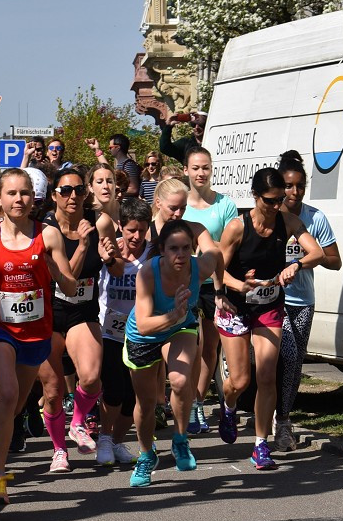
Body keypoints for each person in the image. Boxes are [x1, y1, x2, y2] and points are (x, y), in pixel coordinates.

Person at [0, 168, 78, 504]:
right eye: (11, 193)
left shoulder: (48, 236)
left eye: (24, 193)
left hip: (36, 333)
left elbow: (70, 284)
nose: (19, 200)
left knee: (12, 407)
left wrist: (59, 271)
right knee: (8, 392)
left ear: (33, 197)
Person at [216, 168, 324, 471]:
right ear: (255, 196)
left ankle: (260, 445)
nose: (277, 205)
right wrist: (238, 285)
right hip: (235, 306)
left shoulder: (288, 221)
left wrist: (297, 265)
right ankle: (229, 405)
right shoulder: (237, 228)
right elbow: (216, 270)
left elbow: (317, 252)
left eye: (281, 199)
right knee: (239, 380)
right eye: (270, 200)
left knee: (266, 375)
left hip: (269, 307)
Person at [126, 219, 222, 487]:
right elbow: (144, 325)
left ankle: (180, 439)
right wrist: (173, 314)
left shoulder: (198, 266)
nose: (180, 255)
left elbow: (216, 254)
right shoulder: (147, 273)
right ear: (162, 251)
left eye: (185, 248)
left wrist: (222, 290)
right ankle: (146, 455)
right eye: (173, 249)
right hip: (143, 334)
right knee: (146, 405)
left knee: (180, 381)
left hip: (180, 328)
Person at [39, 168, 118, 473]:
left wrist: (111, 258)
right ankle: (59, 451)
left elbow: (118, 268)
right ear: (54, 196)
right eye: (66, 190)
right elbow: (65, 279)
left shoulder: (101, 223)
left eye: (79, 190)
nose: (73, 196)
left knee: (91, 377)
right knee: (53, 391)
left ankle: (78, 423)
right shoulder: (45, 229)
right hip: (48, 313)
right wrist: (84, 246)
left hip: (82, 311)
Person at [275, 151, 341, 451]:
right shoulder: (271, 219)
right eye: (288, 186)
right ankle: (273, 416)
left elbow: (335, 260)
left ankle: (284, 420)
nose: (294, 192)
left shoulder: (316, 219)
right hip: (274, 300)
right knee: (283, 357)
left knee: (294, 363)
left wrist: (308, 258)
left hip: (303, 300)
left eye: (300, 186)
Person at [181, 146, 238, 435]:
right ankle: (189, 402)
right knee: (195, 345)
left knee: (210, 347)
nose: (201, 173)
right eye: (196, 168)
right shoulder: (182, 205)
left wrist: (221, 281)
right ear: (186, 171)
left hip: (216, 283)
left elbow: (228, 247)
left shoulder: (225, 205)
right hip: (187, 284)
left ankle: (198, 402)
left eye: (205, 167)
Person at [96, 196, 150, 466]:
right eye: (131, 230)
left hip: (141, 333)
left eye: (142, 229)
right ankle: (104, 438)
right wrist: (107, 259)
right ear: (120, 226)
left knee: (134, 397)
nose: (137, 236)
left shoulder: (153, 254)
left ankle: (117, 441)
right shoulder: (109, 249)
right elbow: (114, 272)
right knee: (114, 390)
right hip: (110, 331)